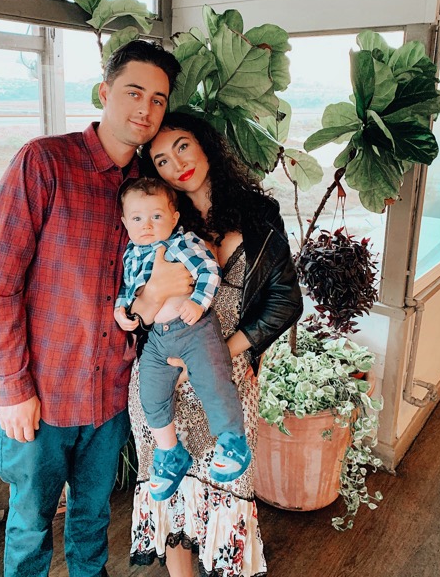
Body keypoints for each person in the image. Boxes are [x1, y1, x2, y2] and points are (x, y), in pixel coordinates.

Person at [0, 40, 194, 577]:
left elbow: (155, 288)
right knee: (29, 526)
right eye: (134, 92)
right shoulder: (44, 162)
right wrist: (12, 387)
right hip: (44, 393)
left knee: (93, 521)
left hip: (111, 394)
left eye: (159, 99)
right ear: (104, 92)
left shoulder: (150, 191)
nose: (145, 109)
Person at [128, 112, 304, 577]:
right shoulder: (156, 222)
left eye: (183, 146)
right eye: (161, 160)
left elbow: (286, 301)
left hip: (226, 379)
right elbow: (134, 307)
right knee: (173, 499)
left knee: (228, 493)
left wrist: (221, 354)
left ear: (205, 144)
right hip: (163, 381)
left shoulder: (258, 214)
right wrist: (149, 300)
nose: (176, 165)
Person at [115, 177, 252, 502]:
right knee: (151, 391)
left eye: (156, 216)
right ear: (125, 222)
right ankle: (170, 453)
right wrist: (122, 309)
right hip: (159, 338)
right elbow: (129, 289)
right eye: (137, 218)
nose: (147, 225)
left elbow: (209, 271)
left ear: (174, 217)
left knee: (213, 380)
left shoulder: (181, 243)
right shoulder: (131, 253)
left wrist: (197, 303)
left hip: (194, 329)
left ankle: (232, 441)